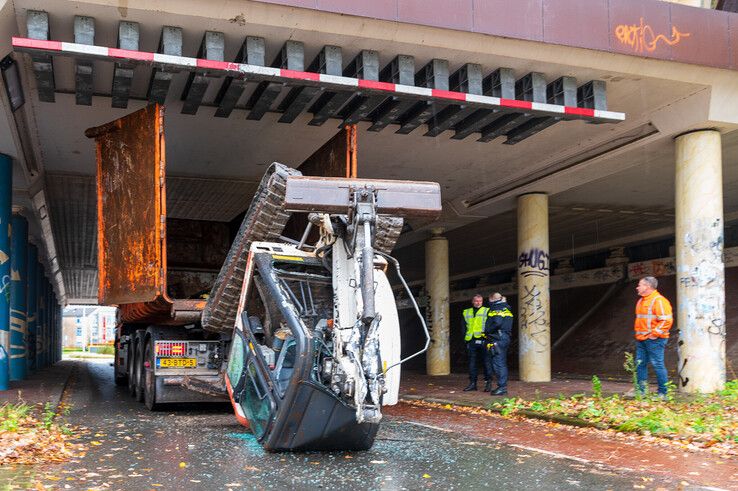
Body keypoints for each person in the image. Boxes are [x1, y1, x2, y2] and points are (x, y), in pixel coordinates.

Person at [633, 276, 673, 397]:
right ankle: (642, 391)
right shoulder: (641, 301)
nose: (637, 287)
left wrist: (654, 335)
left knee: (657, 364)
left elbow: (667, 321)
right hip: (642, 339)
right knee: (640, 364)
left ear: (647, 287)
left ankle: (663, 393)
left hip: (655, 340)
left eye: (640, 285)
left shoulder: (659, 301)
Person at [462, 294, 492, 391]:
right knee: (472, 363)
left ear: (482, 302)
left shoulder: (487, 311)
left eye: (480, 301)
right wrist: (465, 339)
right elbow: (463, 326)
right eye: (476, 301)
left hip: (484, 340)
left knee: (486, 362)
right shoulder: (466, 312)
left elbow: (490, 325)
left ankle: (488, 383)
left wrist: (488, 338)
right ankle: (472, 384)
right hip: (471, 340)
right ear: (472, 301)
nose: (478, 302)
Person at [486, 292, 513, 395]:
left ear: (492, 299)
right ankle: (502, 386)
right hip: (504, 337)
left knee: (498, 363)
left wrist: (487, 331)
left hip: (498, 338)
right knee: (501, 362)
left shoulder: (496, 308)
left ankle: (502, 387)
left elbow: (497, 322)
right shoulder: (506, 308)